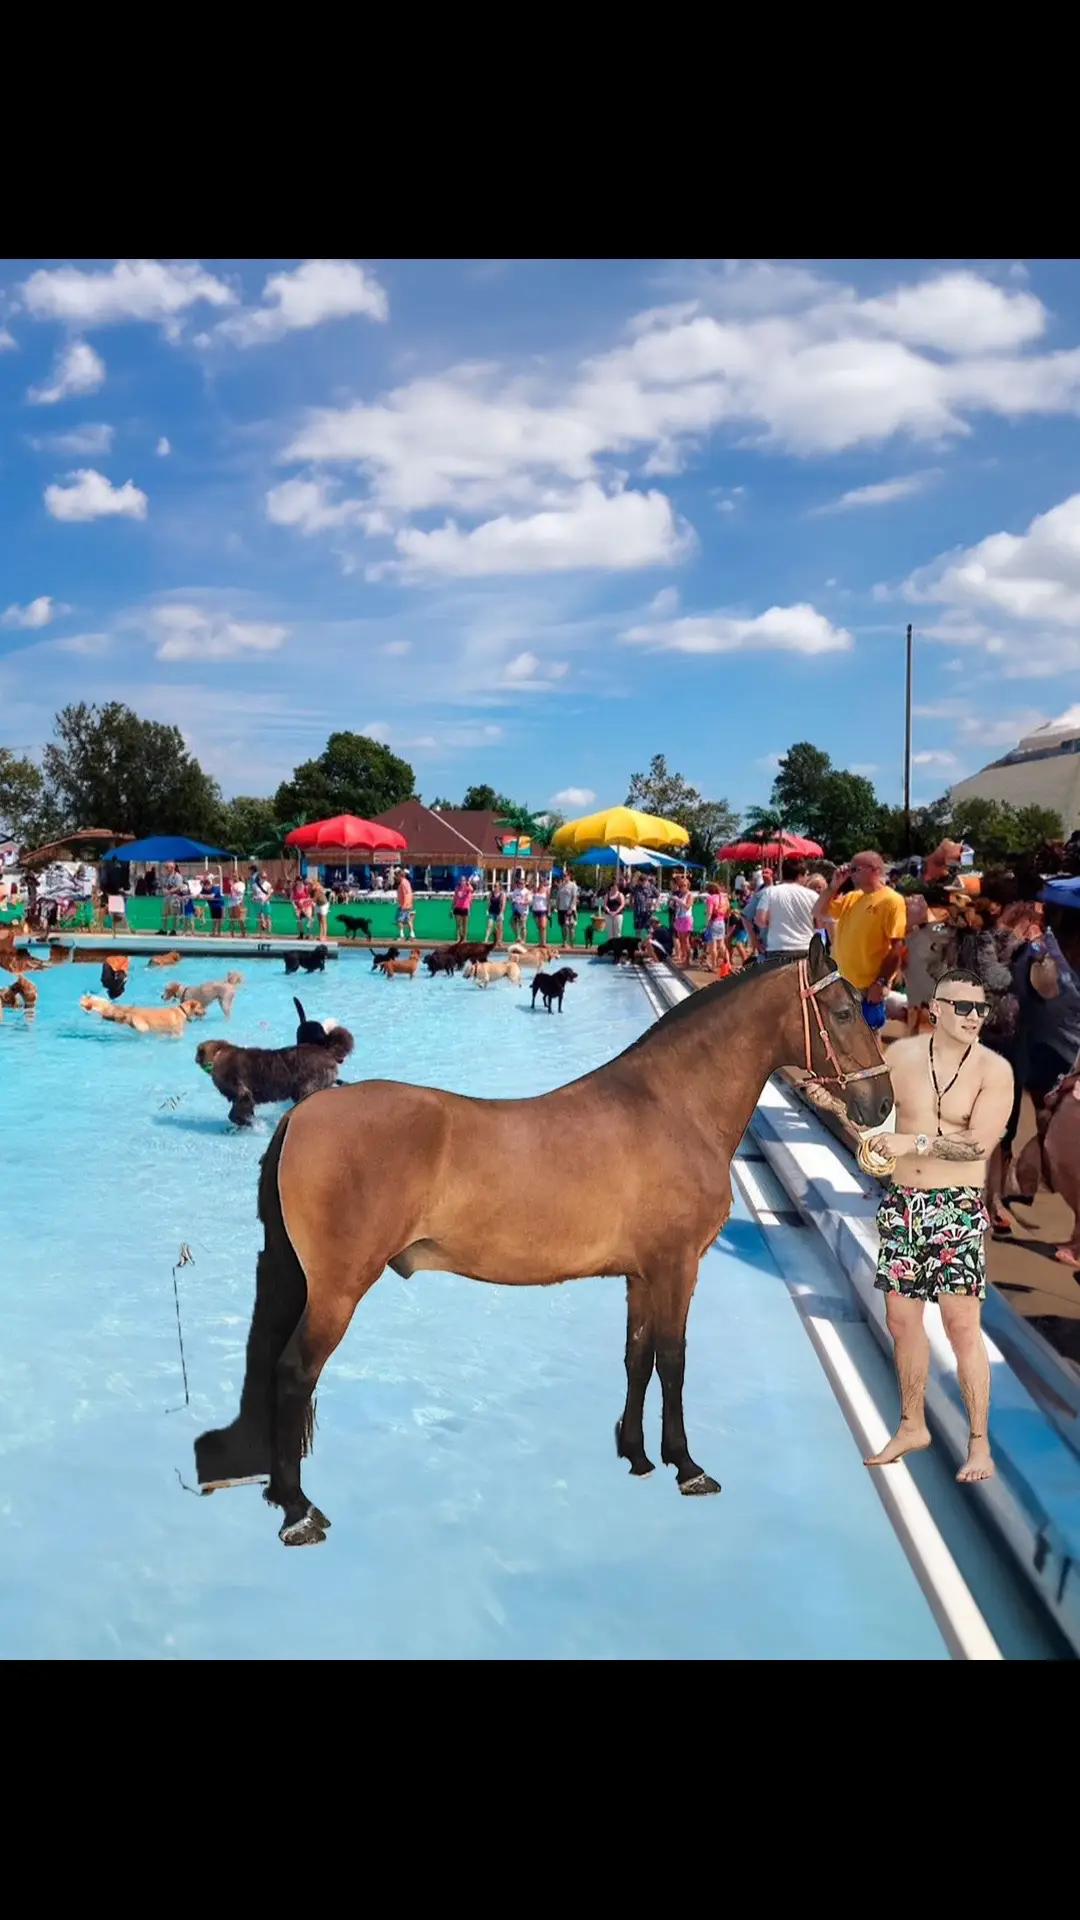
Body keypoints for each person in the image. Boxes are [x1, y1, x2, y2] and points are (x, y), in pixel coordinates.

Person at [862, 969, 1014, 1485]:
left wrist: (915, 1144)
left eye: (981, 1010)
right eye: (964, 1008)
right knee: (902, 1322)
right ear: (937, 1008)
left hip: (956, 1206)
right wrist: (866, 1135)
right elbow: (876, 1115)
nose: (974, 1018)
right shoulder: (900, 1055)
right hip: (904, 1201)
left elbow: (976, 1144)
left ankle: (979, 1444)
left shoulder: (994, 1071)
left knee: (960, 1326)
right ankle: (911, 1424)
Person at [814, 851, 906, 1028]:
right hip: (842, 982)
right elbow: (818, 912)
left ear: (875, 870)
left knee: (868, 1039)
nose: (850, 873)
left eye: (855, 869)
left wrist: (881, 983)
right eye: (850, 868)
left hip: (866, 987)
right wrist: (833, 886)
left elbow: (897, 948)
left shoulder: (891, 900)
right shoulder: (852, 897)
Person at [754, 856, 817, 953]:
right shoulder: (812, 895)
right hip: (806, 948)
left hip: (777, 948)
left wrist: (772, 922)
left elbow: (759, 921)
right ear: (800, 875)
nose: (807, 878)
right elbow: (820, 923)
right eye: (806, 875)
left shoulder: (769, 892)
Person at [555, 870, 579, 948]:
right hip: (562, 909)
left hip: (570, 909)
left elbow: (574, 897)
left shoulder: (573, 885)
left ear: (569, 876)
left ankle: (572, 943)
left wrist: (571, 908)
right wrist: (557, 906)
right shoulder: (560, 886)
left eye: (565, 875)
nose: (564, 877)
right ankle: (565, 942)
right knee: (563, 926)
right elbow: (558, 897)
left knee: (571, 927)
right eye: (563, 875)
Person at [451, 872, 474, 942]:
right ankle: (458, 938)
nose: (462, 882)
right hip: (458, 908)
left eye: (463, 880)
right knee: (458, 924)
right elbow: (454, 899)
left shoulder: (467, 889)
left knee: (465, 925)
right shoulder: (457, 889)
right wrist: (451, 908)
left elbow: (472, 889)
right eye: (461, 880)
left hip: (465, 908)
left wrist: (468, 883)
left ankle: (464, 939)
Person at [485, 878, 507, 946]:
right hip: (492, 912)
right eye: (494, 885)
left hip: (499, 912)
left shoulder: (502, 894)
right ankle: (485, 940)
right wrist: (487, 910)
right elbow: (488, 903)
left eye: (496, 886)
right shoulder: (491, 893)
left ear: (500, 887)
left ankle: (499, 941)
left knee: (499, 928)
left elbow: (503, 904)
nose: (495, 887)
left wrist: (501, 913)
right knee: (489, 926)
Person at [395, 867, 415, 940]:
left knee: (399, 920)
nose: (396, 877)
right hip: (407, 905)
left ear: (400, 876)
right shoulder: (406, 882)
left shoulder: (403, 883)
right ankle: (412, 935)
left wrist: (404, 905)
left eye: (396, 876)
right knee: (408, 920)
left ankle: (402, 936)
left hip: (404, 905)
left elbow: (407, 894)